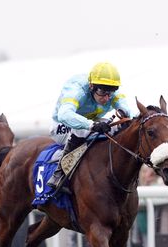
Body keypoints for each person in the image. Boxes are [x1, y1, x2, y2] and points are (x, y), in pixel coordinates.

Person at [47, 61, 137, 191]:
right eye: (102, 92)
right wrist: (91, 125)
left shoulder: (108, 90)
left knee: (119, 127)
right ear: (91, 86)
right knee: (81, 130)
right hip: (62, 125)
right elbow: (64, 114)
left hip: (91, 122)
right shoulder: (76, 90)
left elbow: (127, 111)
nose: (106, 98)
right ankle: (60, 173)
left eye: (111, 92)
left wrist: (127, 115)